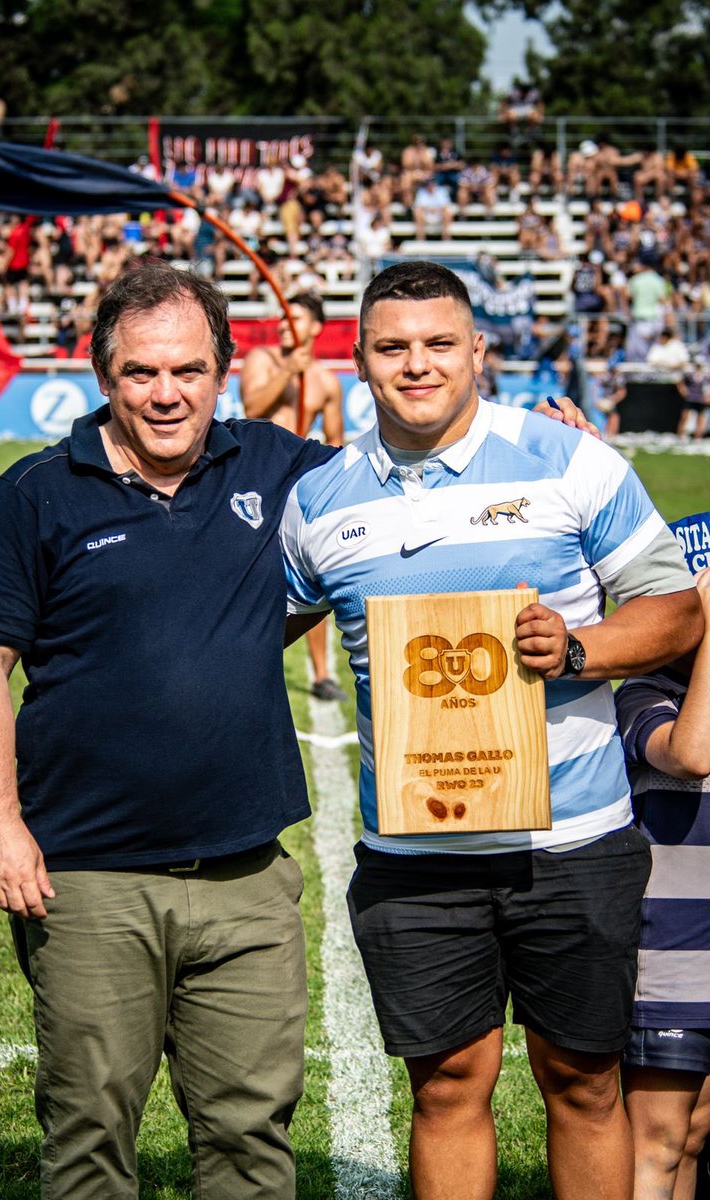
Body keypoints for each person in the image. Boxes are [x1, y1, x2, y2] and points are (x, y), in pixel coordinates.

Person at [279, 260, 703, 1200]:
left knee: (585, 1083)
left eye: (439, 345)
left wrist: (582, 646)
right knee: (446, 1088)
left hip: (575, 841)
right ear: (360, 360)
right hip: (414, 850)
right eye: (393, 348)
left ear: (479, 351)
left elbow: (675, 610)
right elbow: (254, 625)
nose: (417, 366)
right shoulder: (320, 499)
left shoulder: (570, 461)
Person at [0, 258, 337, 1200]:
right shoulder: (35, 492)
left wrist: (545, 437)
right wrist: (0, 826)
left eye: (188, 371)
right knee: (89, 1140)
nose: (167, 395)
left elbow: (416, 469)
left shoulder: (279, 466)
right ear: (103, 376)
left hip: (247, 880)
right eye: (141, 373)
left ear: (223, 370)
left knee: (252, 1144)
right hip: (87, 883)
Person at [616, 515, 710, 1200]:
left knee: (697, 1131)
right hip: (673, 956)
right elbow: (692, 753)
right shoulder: (642, 693)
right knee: (659, 1139)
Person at [240, 291, 347, 702]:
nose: (285, 324)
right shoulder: (263, 360)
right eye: (282, 319)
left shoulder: (325, 381)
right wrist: (288, 371)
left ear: (316, 327)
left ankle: (321, 674)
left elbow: (334, 444)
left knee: (310, 579)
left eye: (295, 318)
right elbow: (254, 405)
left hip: (298, 486)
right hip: (253, 481)